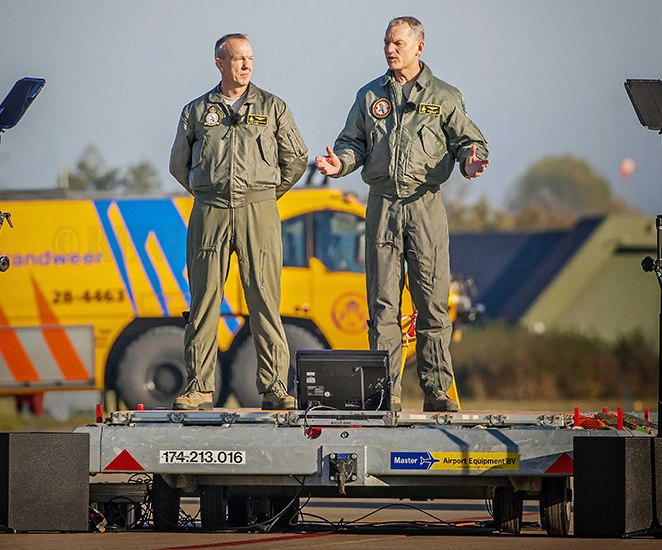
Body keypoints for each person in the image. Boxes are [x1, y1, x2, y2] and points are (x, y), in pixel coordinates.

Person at [315, 17, 489, 412]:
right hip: (382, 205)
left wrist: (470, 161)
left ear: (418, 47)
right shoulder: (369, 95)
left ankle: (437, 391)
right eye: (386, 43)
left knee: (432, 303)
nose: (390, 50)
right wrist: (339, 163)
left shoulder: (445, 96)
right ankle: (385, 393)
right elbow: (352, 144)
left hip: (425, 205)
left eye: (398, 43)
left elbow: (470, 141)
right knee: (383, 305)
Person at [170, 33, 308, 410]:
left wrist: (263, 194)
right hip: (210, 210)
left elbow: (296, 159)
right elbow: (178, 164)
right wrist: (208, 191)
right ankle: (199, 388)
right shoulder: (196, 111)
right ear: (219, 63)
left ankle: (274, 387)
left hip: (258, 210)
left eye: (250, 58)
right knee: (204, 301)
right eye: (237, 58)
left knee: (264, 299)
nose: (246, 65)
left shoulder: (273, 107)